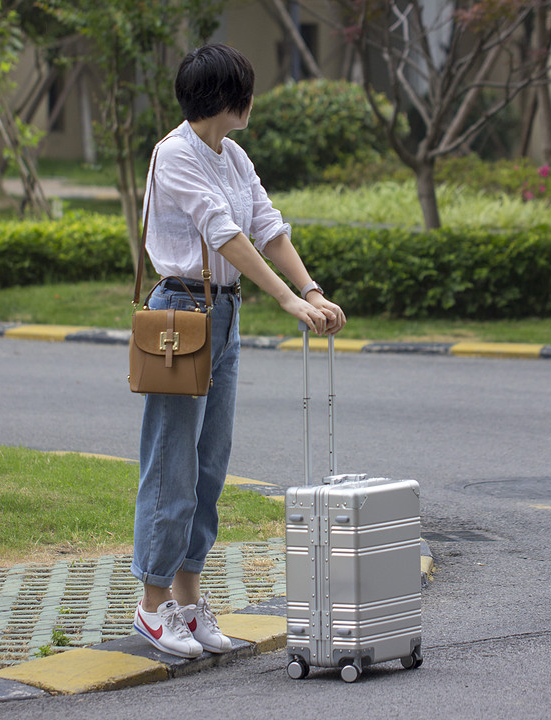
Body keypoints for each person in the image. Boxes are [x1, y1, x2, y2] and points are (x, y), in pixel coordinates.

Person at [131, 43, 346, 658]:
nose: (253, 99)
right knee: (171, 463)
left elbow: (267, 226)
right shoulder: (175, 154)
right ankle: (152, 606)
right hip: (180, 313)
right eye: (247, 89)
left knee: (209, 465)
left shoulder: (233, 154)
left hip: (221, 316)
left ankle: (190, 604)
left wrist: (308, 289)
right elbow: (223, 234)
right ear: (230, 96)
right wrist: (285, 300)